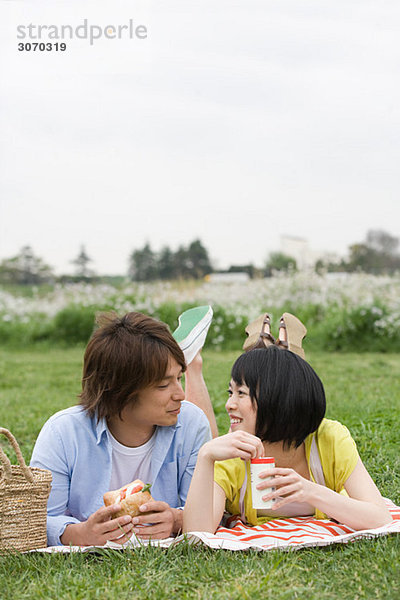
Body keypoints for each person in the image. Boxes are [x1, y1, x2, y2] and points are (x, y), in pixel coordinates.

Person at [30, 311, 213, 547]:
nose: (179, 394)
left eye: (179, 378)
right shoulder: (63, 433)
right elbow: (37, 518)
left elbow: (206, 508)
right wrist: (78, 534)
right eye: (163, 385)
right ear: (119, 390)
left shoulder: (191, 424)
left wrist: (177, 520)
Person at [183, 341, 392, 534]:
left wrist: (310, 491)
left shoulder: (328, 439)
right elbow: (196, 535)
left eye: (241, 393)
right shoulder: (232, 452)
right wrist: (206, 455)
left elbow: (379, 517)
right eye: (231, 392)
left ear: (275, 400)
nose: (229, 404)